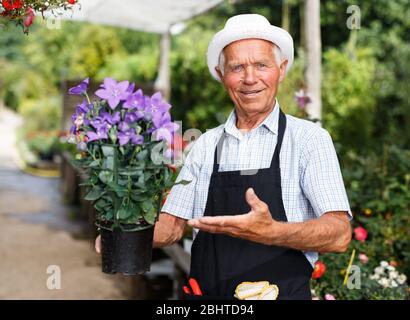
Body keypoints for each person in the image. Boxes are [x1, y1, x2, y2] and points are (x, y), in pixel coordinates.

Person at [96, 14, 352, 300]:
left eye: (261, 65)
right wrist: (120, 236)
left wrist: (272, 231)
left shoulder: (309, 140)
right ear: (221, 75)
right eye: (237, 67)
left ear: (281, 69)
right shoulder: (206, 145)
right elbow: (171, 228)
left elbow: (339, 234)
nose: (250, 78)